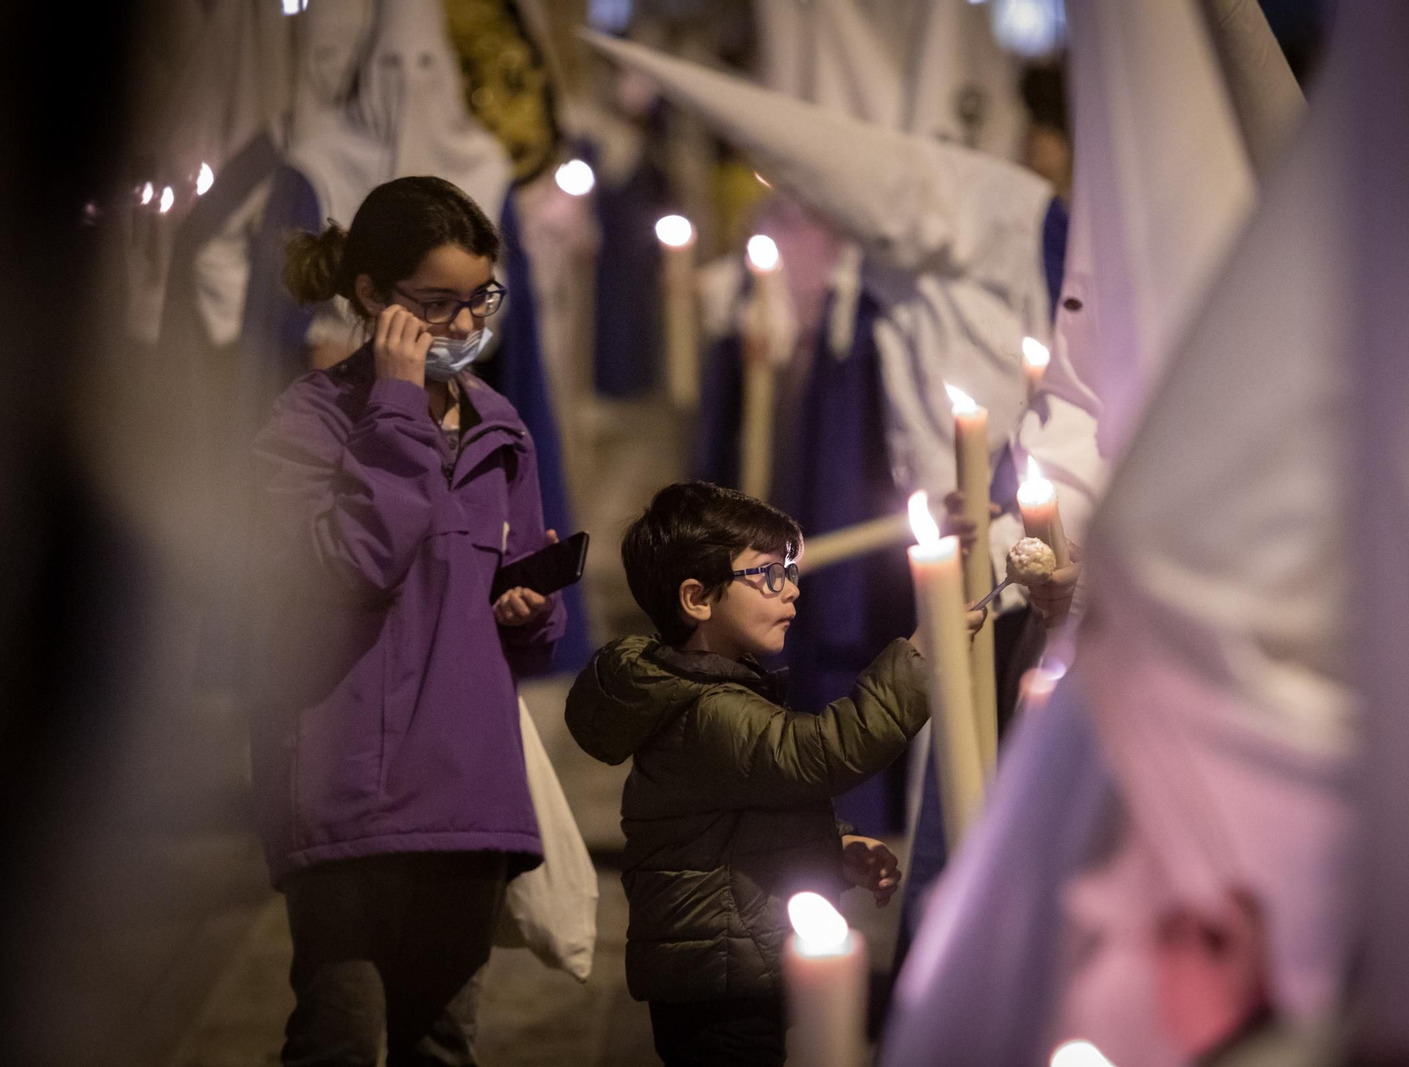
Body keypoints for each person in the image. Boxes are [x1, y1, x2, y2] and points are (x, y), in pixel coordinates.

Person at [246, 174, 565, 1066]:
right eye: (437, 305)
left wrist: (531, 608)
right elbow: (348, 567)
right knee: (338, 1035)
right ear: (373, 298)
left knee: (444, 1042)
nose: (466, 328)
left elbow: (524, 635)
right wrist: (392, 406)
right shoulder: (307, 424)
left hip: (467, 790)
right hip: (348, 787)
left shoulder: (502, 429)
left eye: (479, 300)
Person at [565, 481, 984, 1067]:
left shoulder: (713, 691)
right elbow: (823, 752)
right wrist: (918, 658)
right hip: (716, 984)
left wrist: (831, 849)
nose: (790, 591)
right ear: (697, 598)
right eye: (767, 576)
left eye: (789, 571)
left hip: (729, 966)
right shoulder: (708, 710)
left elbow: (739, 826)